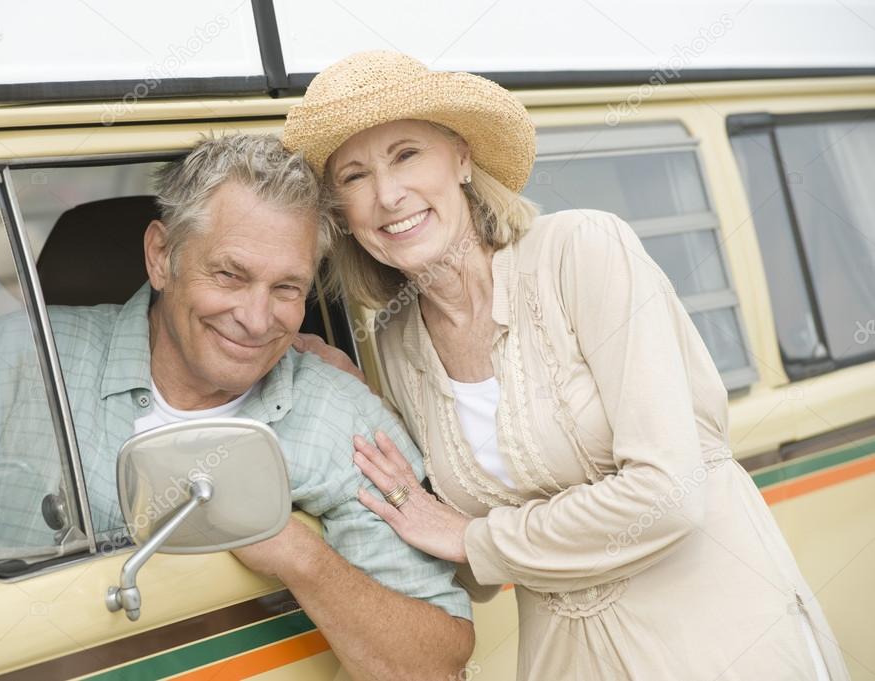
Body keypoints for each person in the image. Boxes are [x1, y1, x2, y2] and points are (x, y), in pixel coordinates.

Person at [283, 51, 848, 681]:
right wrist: (356, 409)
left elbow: (668, 496)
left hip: (718, 644)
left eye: (406, 154)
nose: (388, 195)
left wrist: (476, 539)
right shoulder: (396, 344)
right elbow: (471, 572)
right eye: (355, 177)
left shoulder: (582, 250)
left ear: (462, 158)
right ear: (342, 213)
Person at [0, 134, 474, 680]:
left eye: (287, 289)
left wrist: (294, 549)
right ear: (160, 256)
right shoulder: (25, 360)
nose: (257, 320)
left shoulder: (342, 420)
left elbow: (435, 665)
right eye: (230, 275)